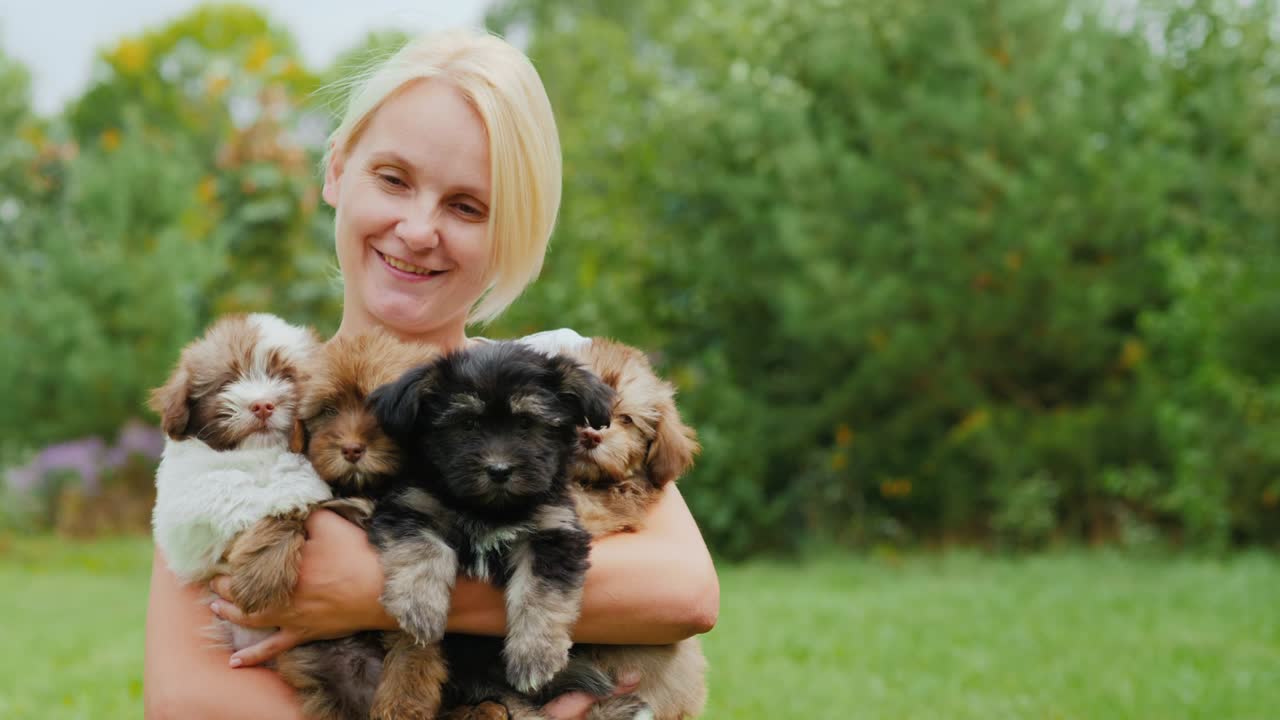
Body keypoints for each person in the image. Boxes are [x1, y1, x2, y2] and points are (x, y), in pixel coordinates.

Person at [143, 28, 719, 720]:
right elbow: (186, 697)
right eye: (393, 178)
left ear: (510, 232)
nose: (418, 230)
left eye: (466, 206)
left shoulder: (559, 371)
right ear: (335, 170)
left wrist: (368, 585)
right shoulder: (262, 409)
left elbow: (685, 593)